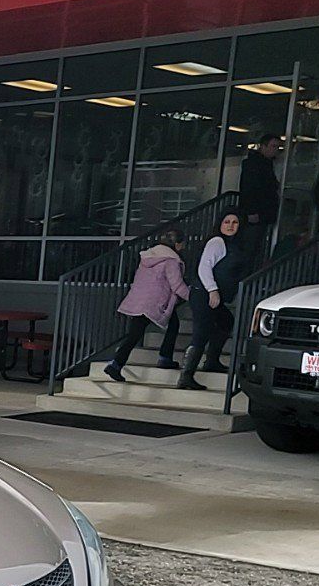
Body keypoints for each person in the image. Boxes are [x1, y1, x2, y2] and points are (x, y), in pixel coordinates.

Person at [105, 229, 189, 383]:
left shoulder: (148, 257)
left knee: (134, 335)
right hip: (157, 302)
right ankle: (164, 357)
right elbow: (177, 285)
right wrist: (194, 297)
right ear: (177, 244)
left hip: (140, 300)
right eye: (182, 244)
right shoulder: (171, 260)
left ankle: (116, 364)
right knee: (173, 325)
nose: (183, 247)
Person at [178, 210, 249, 392]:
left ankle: (211, 360)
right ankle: (186, 375)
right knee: (201, 332)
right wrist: (213, 290)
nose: (231, 225)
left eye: (235, 222)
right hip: (204, 292)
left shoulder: (236, 245)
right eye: (227, 222)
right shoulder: (217, 242)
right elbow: (204, 267)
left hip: (213, 293)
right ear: (220, 224)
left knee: (226, 321)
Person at [238, 134, 282, 258]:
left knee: (255, 247)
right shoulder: (254, 164)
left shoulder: (266, 164)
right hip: (256, 212)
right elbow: (248, 188)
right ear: (263, 146)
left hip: (262, 212)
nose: (276, 150)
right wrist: (251, 211)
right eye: (273, 146)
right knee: (250, 248)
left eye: (278, 147)